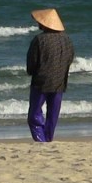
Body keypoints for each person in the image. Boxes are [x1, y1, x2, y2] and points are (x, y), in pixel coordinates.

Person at [26, 8, 75, 142]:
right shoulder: (67, 40)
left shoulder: (39, 39)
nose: (38, 24)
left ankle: (41, 140)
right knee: (52, 115)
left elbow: (32, 62)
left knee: (34, 115)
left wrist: (31, 71)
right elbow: (69, 59)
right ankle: (48, 139)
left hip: (41, 82)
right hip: (60, 82)